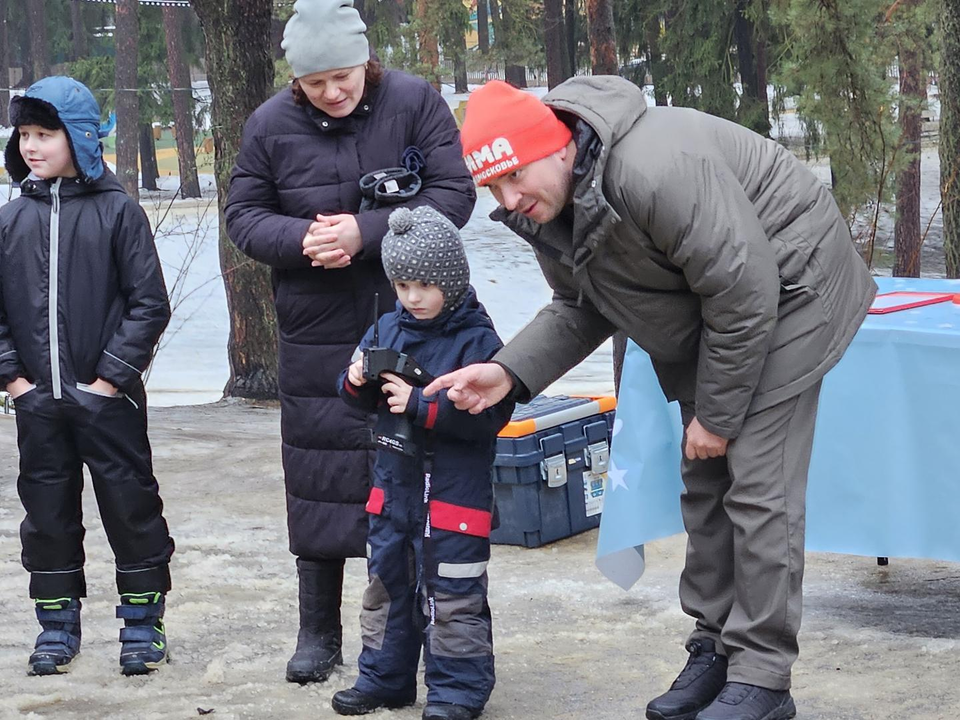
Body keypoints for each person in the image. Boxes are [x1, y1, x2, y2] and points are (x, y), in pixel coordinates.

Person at [425, 78, 878, 720]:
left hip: (793, 284)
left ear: (556, 147)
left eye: (515, 176)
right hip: (715, 306)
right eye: (493, 189)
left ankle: (762, 678)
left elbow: (745, 294)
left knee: (755, 482)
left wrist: (716, 417)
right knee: (703, 477)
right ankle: (716, 648)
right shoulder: (548, 204)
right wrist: (507, 373)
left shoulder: (654, 168)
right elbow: (581, 304)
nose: (510, 200)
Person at [225, 0, 476, 685]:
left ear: (366, 61)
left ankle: (409, 627)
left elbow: (455, 195)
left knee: (408, 471)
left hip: (414, 314)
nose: (333, 93)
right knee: (318, 471)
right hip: (316, 322)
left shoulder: (415, 101)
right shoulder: (269, 125)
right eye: (316, 83)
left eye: (343, 77)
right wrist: (303, 241)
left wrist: (367, 234)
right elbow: (243, 216)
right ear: (295, 82)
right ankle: (316, 630)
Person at [0, 76, 175, 677]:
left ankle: (142, 624)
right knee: (46, 513)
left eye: (44, 134)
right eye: (23, 133)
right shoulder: (11, 220)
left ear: (78, 136)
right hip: (38, 404)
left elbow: (149, 302)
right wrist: (15, 382)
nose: (31, 145)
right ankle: (56, 625)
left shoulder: (118, 211)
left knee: (131, 506)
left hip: (107, 401)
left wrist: (109, 380)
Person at [331, 206, 514, 720]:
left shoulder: (477, 339)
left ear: (452, 281)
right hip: (394, 489)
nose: (413, 297)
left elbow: (490, 415)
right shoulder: (387, 327)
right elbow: (351, 398)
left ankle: (457, 690)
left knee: (453, 593)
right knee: (385, 584)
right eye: (403, 284)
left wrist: (420, 405)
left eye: (426, 285)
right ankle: (384, 678)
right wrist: (357, 379)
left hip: (456, 495)